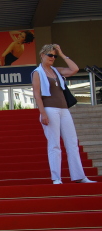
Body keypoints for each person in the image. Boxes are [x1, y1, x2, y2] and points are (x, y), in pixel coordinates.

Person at [31, 44, 96, 184]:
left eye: (54, 56)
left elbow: (74, 69)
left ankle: (79, 176)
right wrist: (43, 113)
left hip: (64, 109)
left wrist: (61, 53)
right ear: (42, 55)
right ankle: (56, 177)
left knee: (72, 142)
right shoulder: (37, 73)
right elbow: (37, 95)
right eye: (50, 55)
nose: (52, 58)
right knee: (54, 144)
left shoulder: (56, 71)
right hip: (49, 109)